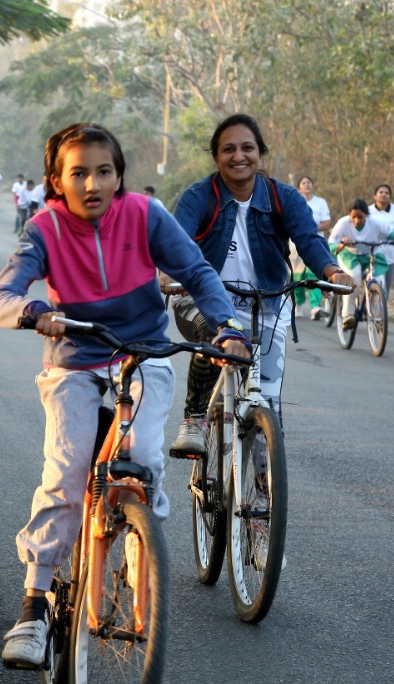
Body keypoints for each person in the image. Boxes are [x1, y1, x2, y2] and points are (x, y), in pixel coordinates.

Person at [0, 122, 252, 669]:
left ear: (120, 175)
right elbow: (0, 298)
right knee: (65, 474)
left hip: (143, 357)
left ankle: (137, 553)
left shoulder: (146, 216)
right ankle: (34, 605)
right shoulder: (44, 229)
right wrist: (35, 312)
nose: (92, 184)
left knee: (145, 462)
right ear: (56, 181)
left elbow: (197, 272)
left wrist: (225, 324)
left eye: (103, 171)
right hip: (76, 365)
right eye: (77, 173)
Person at [164, 114, 352, 458]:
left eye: (247, 148)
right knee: (215, 330)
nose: (239, 156)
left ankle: (261, 505)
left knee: (268, 412)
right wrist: (168, 274)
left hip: (266, 304)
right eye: (228, 149)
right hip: (202, 300)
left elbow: (309, 240)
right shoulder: (197, 197)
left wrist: (331, 271)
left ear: (260, 154)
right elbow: (177, 243)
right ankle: (194, 419)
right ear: (216, 157)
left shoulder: (284, 198)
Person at [329, 198, 394, 329]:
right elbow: (330, 245)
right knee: (355, 278)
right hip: (350, 255)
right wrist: (342, 244)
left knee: (379, 282)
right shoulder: (343, 223)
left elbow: (391, 232)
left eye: (361, 217)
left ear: (367, 216)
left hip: (373, 253)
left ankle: (377, 313)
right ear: (349, 215)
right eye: (354, 217)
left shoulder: (375, 222)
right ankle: (348, 313)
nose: (357, 221)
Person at [294, 176, 332, 319]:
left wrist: (309, 229)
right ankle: (298, 303)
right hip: (295, 244)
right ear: (299, 188)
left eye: (309, 182)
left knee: (314, 274)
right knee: (297, 277)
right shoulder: (295, 202)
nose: (307, 184)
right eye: (303, 183)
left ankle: (315, 307)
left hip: (316, 242)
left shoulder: (320, 203)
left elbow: (326, 223)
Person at [368, 183, 394, 293]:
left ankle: (381, 308)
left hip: (391, 254)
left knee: (385, 289)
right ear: (375, 196)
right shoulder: (368, 210)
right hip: (373, 254)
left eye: (387, 193)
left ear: (390, 196)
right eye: (381, 192)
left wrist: (392, 237)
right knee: (375, 283)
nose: (384, 195)